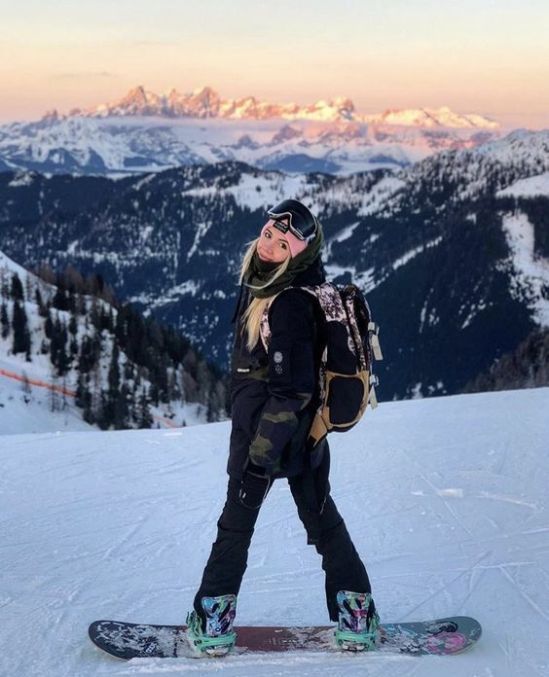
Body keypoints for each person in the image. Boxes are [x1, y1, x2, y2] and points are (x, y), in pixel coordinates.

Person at [186, 199, 379, 655]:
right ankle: (356, 616)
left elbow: (291, 390)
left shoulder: (289, 301)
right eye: (268, 234)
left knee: (235, 527)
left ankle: (212, 623)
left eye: (283, 242)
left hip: (269, 438)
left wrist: (259, 455)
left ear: (301, 251)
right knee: (323, 522)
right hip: (305, 438)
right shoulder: (267, 283)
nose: (269, 246)